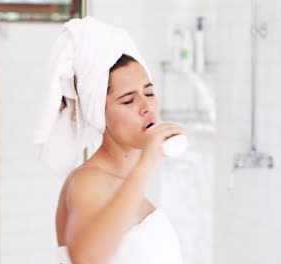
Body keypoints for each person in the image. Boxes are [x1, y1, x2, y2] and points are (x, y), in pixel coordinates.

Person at [34, 17, 185, 264]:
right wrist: (145, 165)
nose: (147, 106)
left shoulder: (124, 182)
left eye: (149, 92)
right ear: (99, 112)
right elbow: (87, 258)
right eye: (128, 100)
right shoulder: (88, 181)